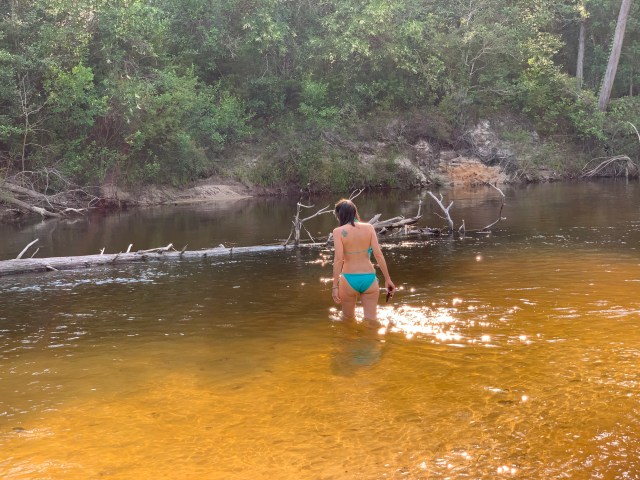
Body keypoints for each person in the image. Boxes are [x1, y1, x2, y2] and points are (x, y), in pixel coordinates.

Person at [331, 198, 396, 324]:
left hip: (349, 279)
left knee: (348, 321)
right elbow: (378, 254)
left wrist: (334, 286)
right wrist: (388, 279)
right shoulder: (369, 228)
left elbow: (338, 260)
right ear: (355, 212)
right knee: (372, 321)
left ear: (339, 215)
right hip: (369, 279)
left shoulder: (338, 232)